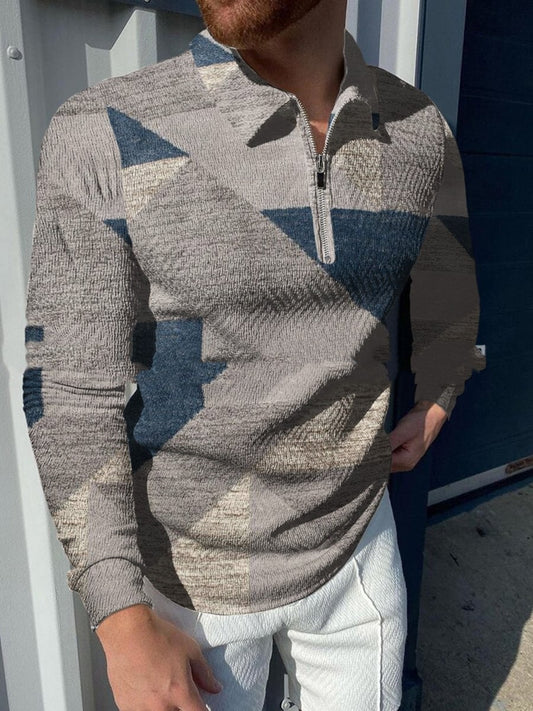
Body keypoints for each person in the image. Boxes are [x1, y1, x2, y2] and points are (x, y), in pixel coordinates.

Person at [21, 0, 486, 709]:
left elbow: (448, 287)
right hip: (191, 580)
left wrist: (440, 393)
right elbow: (69, 386)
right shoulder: (105, 128)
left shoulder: (418, 129)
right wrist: (121, 620)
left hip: (357, 546)